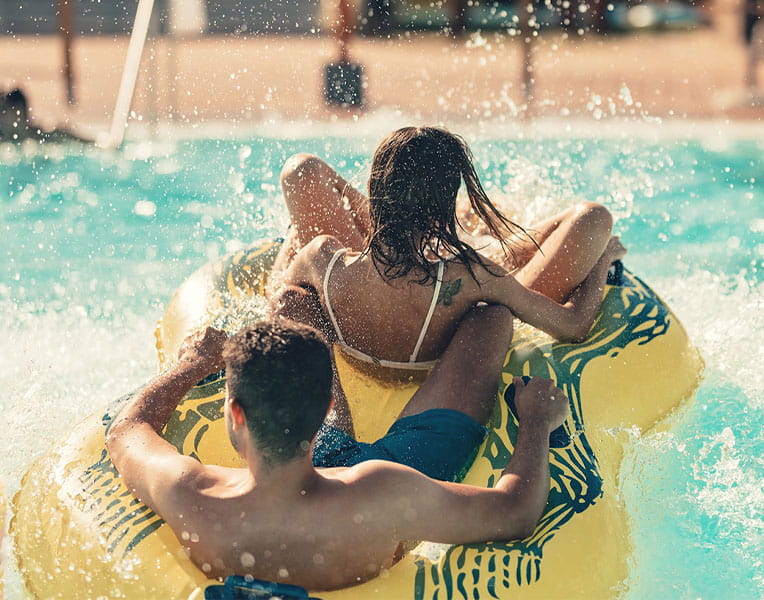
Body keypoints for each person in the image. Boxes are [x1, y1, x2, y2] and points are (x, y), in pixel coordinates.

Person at [105, 308, 568, 591]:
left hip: (314, 466)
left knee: (292, 302)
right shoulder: (382, 493)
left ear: (235, 413)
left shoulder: (191, 496)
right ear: (329, 405)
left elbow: (126, 430)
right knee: (490, 318)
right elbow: (515, 512)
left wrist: (192, 365)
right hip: (350, 492)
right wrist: (536, 421)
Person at [271, 126, 622, 381]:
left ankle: (461, 231)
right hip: (435, 322)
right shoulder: (470, 274)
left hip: (355, 324)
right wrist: (602, 261)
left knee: (301, 169)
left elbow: (280, 297)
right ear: (443, 212)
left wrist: (294, 243)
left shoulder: (322, 258)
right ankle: (474, 232)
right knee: (594, 217)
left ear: (371, 190)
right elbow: (573, 326)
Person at [2, 88, 91, 144]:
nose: (2, 117)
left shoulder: (38, 134)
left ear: (19, 112)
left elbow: (64, 134)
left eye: (4, 111)